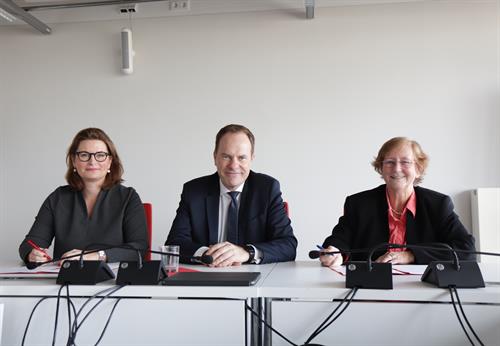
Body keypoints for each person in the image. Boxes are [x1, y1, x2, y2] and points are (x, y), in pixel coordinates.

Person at [320, 137, 476, 267]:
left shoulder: (437, 204)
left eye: (405, 162)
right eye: (389, 162)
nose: (397, 169)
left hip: (422, 290)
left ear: (419, 169)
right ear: (381, 168)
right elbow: (341, 238)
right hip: (369, 288)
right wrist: (336, 251)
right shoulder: (359, 203)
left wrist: (410, 255)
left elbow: (466, 250)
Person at [166, 124, 297, 267]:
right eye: (226, 156)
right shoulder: (194, 191)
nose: (234, 165)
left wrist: (247, 253)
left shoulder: (267, 189)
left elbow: (288, 245)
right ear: (215, 157)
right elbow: (174, 243)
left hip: (256, 278)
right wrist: (207, 254)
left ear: (251, 158)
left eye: (242, 158)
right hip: (207, 275)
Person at [19, 128, 148, 265]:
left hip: (114, 281)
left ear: (110, 161)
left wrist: (96, 255)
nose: (92, 161)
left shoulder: (128, 197)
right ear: (74, 161)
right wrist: (32, 254)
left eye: (100, 155)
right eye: (84, 155)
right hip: (66, 281)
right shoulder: (58, 198)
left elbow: (139, 248)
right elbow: (29, 244)